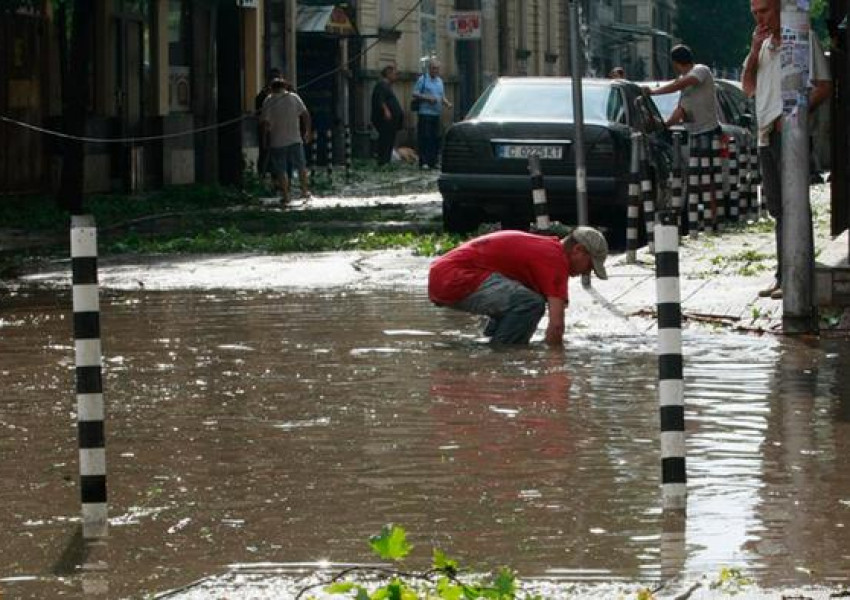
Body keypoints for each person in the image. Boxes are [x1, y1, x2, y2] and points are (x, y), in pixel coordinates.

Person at [742, 0, 831, 300]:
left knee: (795, 206)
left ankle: (798, 276)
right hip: (765, 135)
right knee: (778, 209)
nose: (760, 18)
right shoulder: (763, 46)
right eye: (755, 14)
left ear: (780, 9)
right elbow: (748, 86)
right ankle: (783, 275)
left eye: (764, 11)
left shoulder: (804, 38)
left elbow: (822, 85)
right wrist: (754, 51)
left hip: (788, 135)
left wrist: (792, 117)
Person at [428, 227, 609, 346]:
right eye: (590, 265)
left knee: (522, 300)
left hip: (444, 273)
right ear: (577, 250)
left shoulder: (547, 249)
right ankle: (502, 356)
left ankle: (492, 344)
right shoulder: (556, 260)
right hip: (455, 276)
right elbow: (556, 326)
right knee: (531, 304)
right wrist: (556, 363)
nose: (587, 273)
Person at [642, 45, 720, 135]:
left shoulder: (700, 70)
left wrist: (654, 92)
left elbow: (679, 84)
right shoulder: (682, 79)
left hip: (709, 130)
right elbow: (681, 110)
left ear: (675, 63)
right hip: (693, 132)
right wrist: (665, 125)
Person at [261, 78, 312, 203]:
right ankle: (305, 191)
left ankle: (286, 195)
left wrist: (264, 139)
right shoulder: (294, 97)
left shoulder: (268, 101)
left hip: (277, 141)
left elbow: (265, 123)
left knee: (281, 169)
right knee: (301, 166)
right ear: (285, 86)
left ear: (272, 88)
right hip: (295, 139)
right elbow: (305, 114)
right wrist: (307, 131)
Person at [412, 58, 452, 169]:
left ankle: (433, 161)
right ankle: (424, 161)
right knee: (425, 137)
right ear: (429, 69)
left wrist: (447, 103)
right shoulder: (423, 79)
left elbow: (441, 96)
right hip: (425, 113)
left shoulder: (439, 81)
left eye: (437, 69)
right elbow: (415, 93)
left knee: (436, 138)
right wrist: (427, 98)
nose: (436, 71)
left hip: (436, 114)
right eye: (434, 68)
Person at [371, 64, 404, 166]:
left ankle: (386, 160)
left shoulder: (388, 86)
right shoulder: (381, 85)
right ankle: (383, 161)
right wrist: (386, 111)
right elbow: (380, 100)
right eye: (394, 73)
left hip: (392, 121)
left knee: (390, 140)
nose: (396, 76)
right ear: (388, 74)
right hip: (385, 120)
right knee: (385, 140)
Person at [255, 68, 282, 178]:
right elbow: (259, 116)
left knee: (277, 155)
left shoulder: (285, 95)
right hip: (267, 130)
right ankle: (264, 177)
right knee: (265, 155)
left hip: (279, 129)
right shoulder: (262, 96)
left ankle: (277, 180)